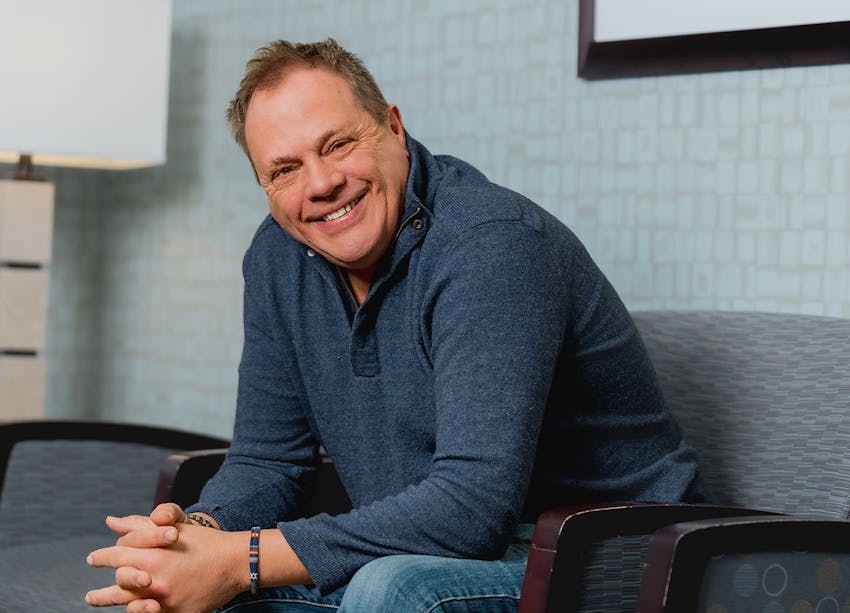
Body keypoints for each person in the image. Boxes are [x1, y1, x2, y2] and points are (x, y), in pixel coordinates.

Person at [85, 38, 707, 613]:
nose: (322, 184)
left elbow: (474, 507)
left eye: (337, 144)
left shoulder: (493, 246)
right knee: (166, 596)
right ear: (264, 187)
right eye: (284, 170)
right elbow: (269, 461)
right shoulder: (277, 258)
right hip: (422, 546)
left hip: (610, 560)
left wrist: (244, 559)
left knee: (390, 590)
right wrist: (192, 537)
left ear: (393, 126)